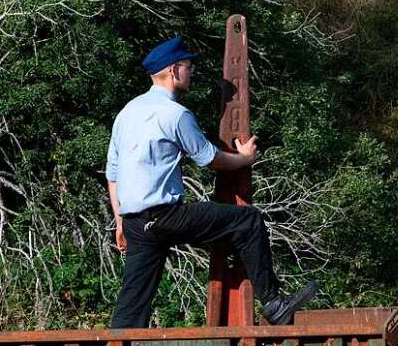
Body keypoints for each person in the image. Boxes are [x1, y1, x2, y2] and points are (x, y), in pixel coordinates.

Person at [105, 35, 317, 328]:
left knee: (133, 300)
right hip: (166, 217)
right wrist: (244, 158)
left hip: (134, 223)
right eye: (189, 66)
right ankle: (274, 303)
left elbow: (113, 174)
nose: (191, 72)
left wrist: (119, 222)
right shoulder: (175, 114)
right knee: (248, 221)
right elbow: (210, 158)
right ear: (174, 69)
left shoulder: (126, 113)